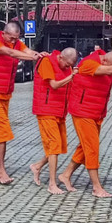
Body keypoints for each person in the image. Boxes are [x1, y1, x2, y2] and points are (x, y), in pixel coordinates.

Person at [58, 50, 112, 197]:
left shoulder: (107, 63)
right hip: (82, 111)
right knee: (92, 148)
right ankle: (96, 187)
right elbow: (110, 70)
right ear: (104, 60)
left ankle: (65, 175)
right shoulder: (88, 64)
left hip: (95, 112)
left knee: (84, 147)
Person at [0, 22, 42, 184]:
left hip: (4, 94)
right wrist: (30, 56)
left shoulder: (18, 43)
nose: (14, 41)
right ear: (4, 33)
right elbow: (10, 53)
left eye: (16, 38)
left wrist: (39, 55)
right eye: (11, 38)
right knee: (2, 132)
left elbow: (27, 51)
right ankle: (1, 170)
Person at [28, 48, 77, 194]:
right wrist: (72, 76)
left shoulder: (67, 67)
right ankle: (52, 183)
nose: (67, 67)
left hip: (60, 111)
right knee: (54, 145)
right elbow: (54, 85)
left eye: (70, 66)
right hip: (46, 109)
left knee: (60, 146)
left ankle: (37, 166)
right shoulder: (46, 61)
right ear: (61, 57)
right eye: (66, 64)